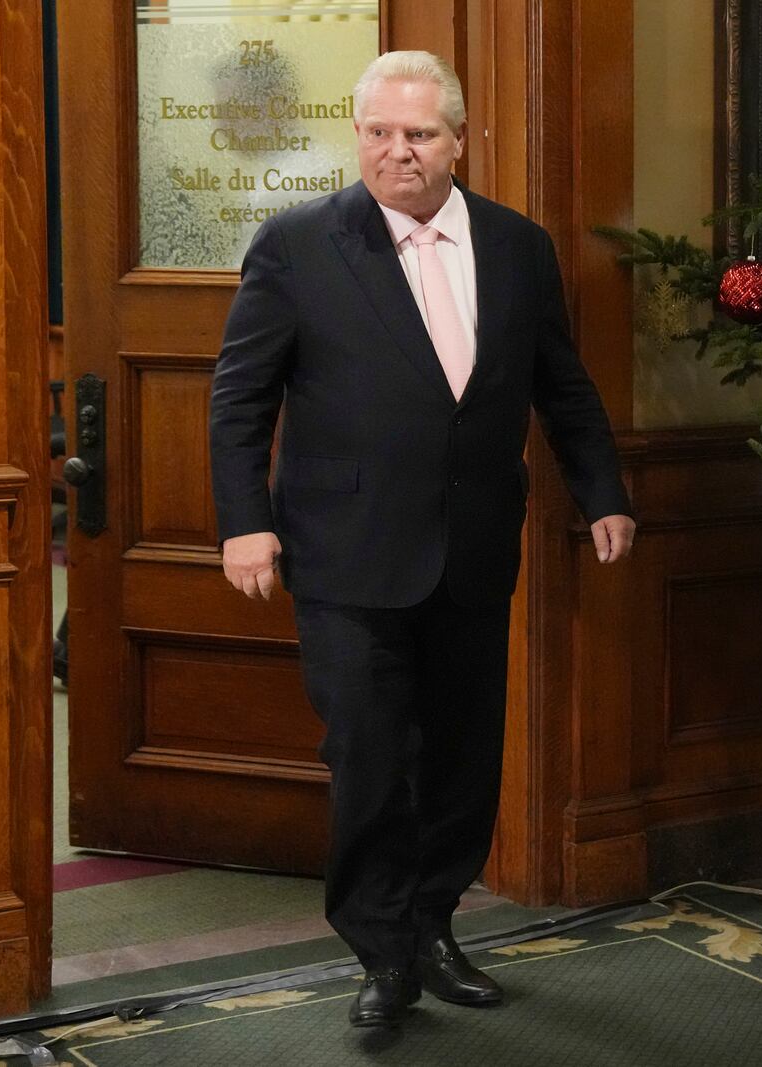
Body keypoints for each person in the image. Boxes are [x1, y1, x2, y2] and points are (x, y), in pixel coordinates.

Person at [208, 50, 635, 1030]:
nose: (397, 151)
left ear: (459, 139)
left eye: (418, 134)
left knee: (461, 755)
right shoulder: (297, 245)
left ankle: (435, 918)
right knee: (368, 753)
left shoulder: (519, 247)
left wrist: (601, 490)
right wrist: (244, 524)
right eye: (378, 133)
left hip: (476, 547)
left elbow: (558, 384)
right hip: (344, 551)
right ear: (359, 135)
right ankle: (382, 947)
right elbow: (239, 398)